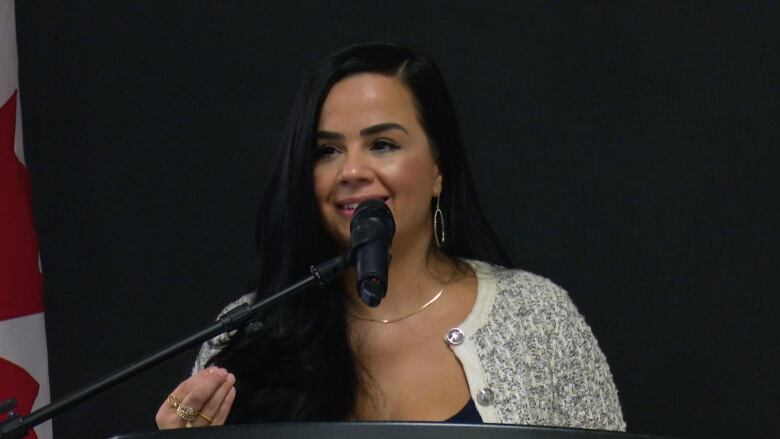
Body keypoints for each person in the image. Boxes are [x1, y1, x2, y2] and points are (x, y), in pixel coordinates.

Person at [155, 42, 626, 430]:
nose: (352, 171)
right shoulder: (246, 333)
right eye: (326, 150)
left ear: (438, 169)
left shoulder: (537, 318)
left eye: (383, 144)